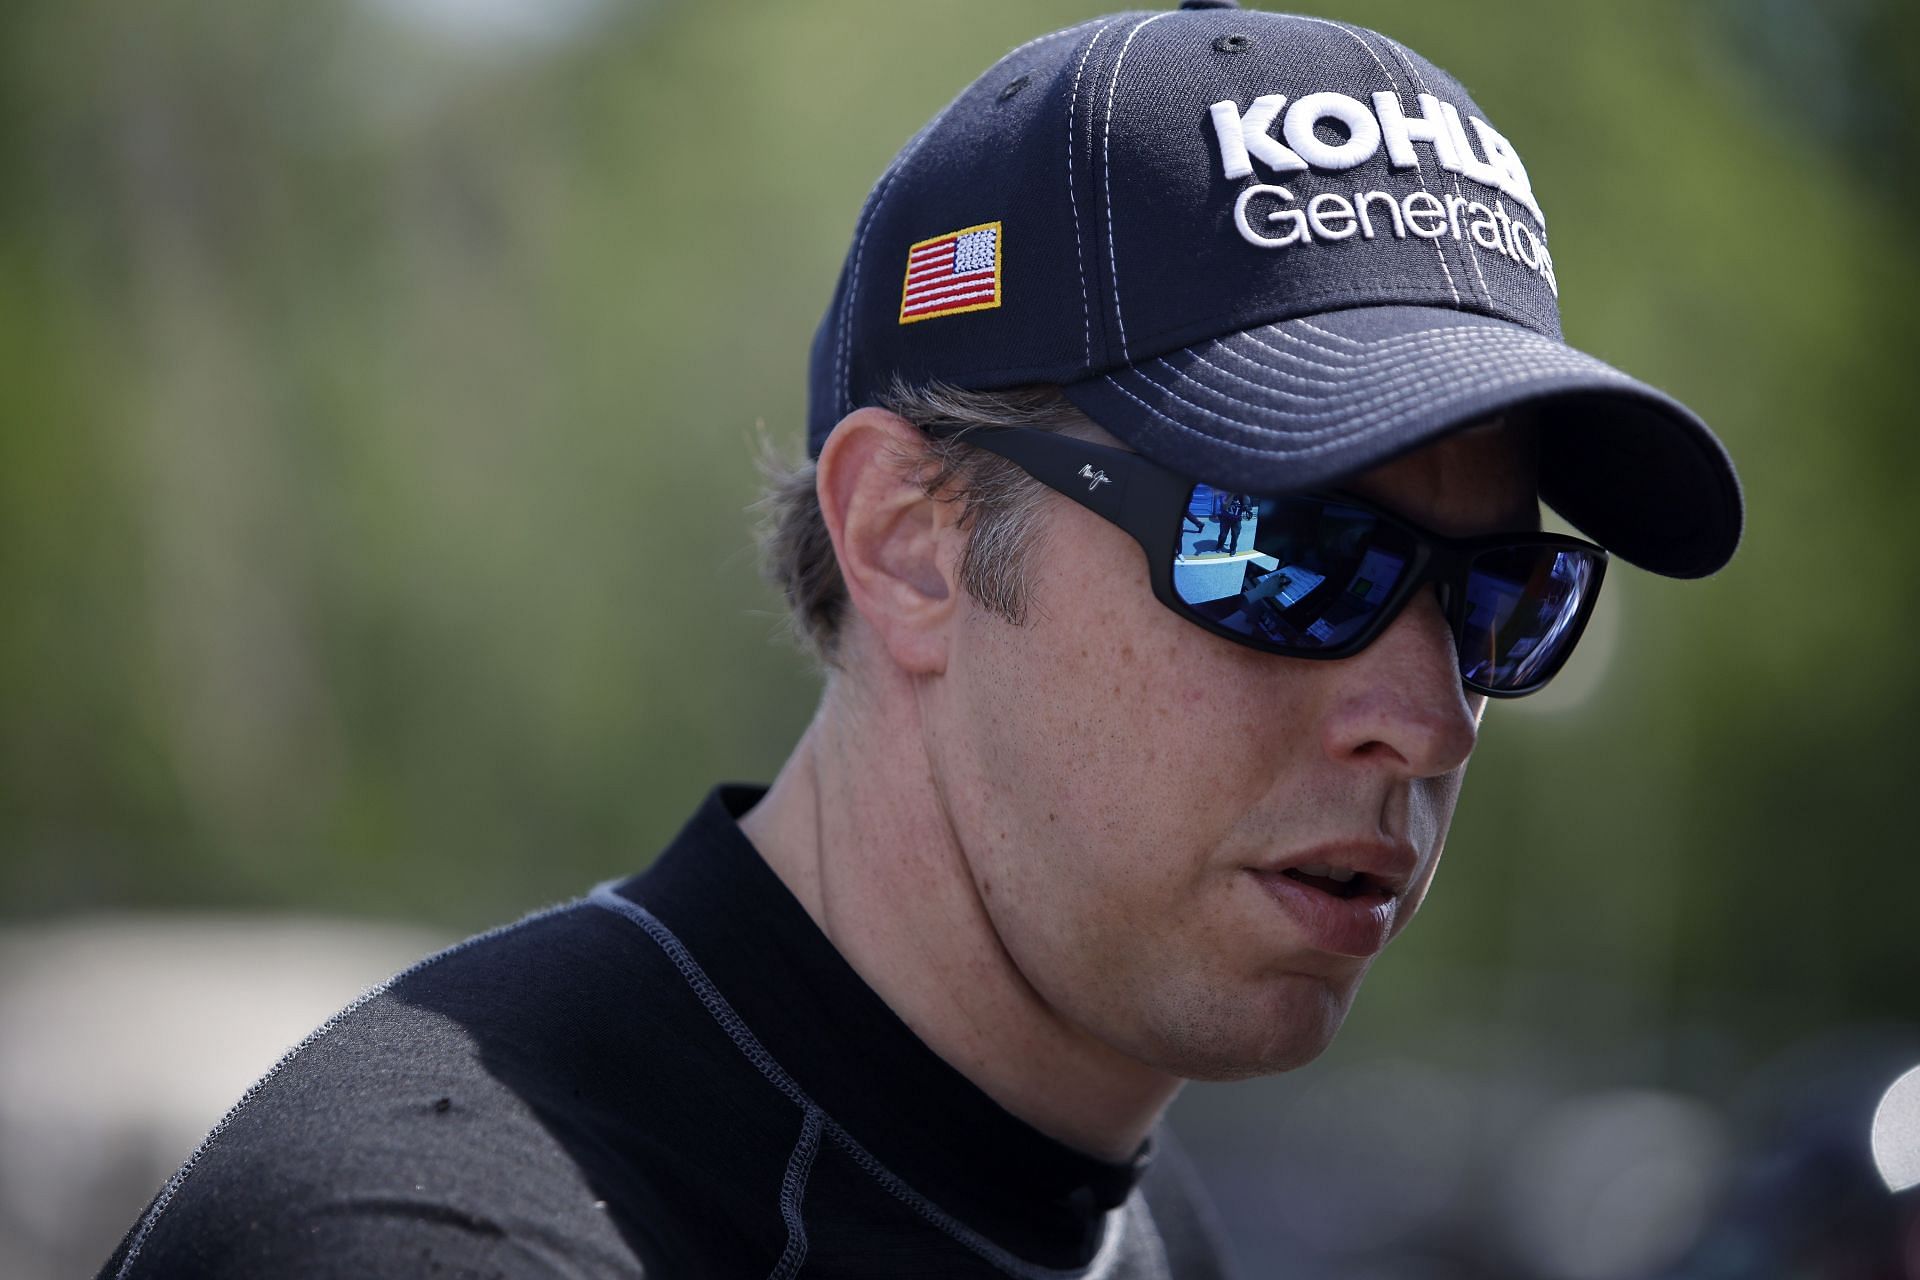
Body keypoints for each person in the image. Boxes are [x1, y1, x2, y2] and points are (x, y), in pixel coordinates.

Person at [98, 3, 1742, 1277]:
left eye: (1497, 601)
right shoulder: (441, 1234)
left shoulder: (1139, 1227)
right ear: (911, 543)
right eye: (1290, 556)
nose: (1431, 717)